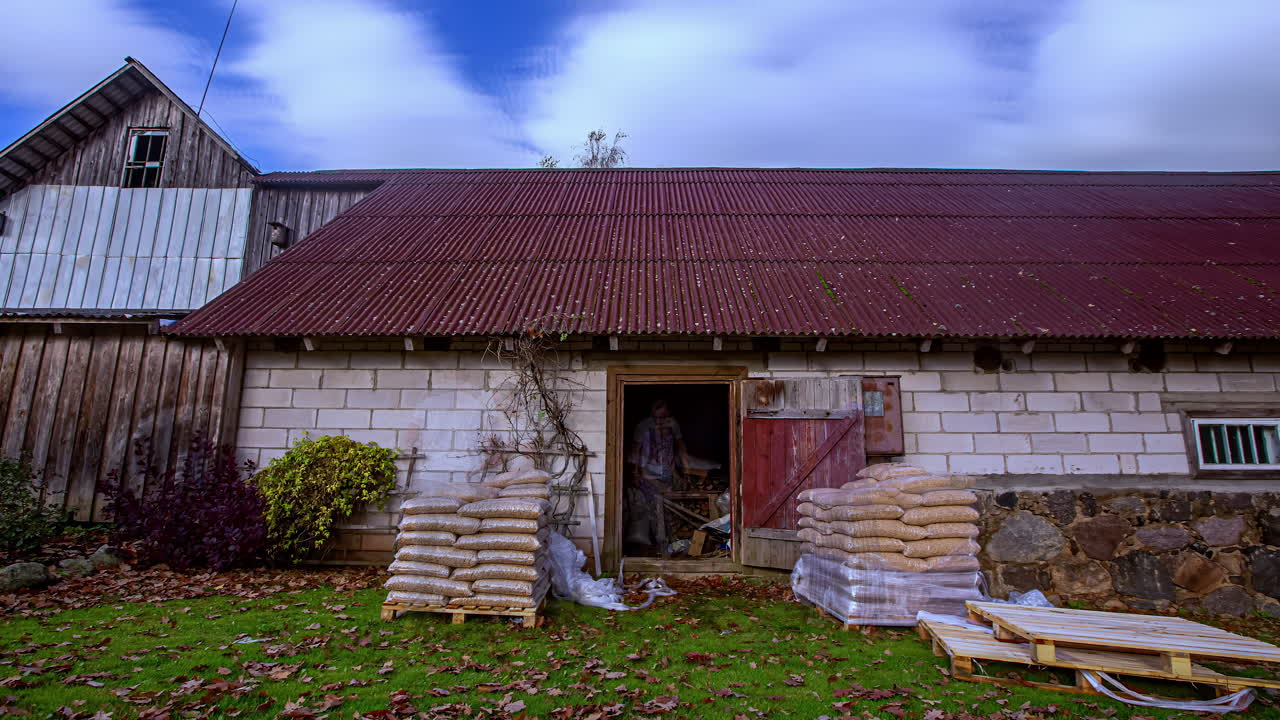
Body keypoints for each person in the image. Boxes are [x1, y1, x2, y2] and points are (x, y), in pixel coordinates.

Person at [627, 399, 690, 555]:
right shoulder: (642, 427)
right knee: (656, 507)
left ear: (668, 414)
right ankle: (661, 544)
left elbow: (679, 446)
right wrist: (635, 473)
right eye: (656, 418)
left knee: (669, 507)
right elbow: (635, 451)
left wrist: (683, 471)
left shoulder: (673, 424)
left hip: (666, 472)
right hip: (648, 473)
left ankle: (672, 542)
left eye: (663, 417)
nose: (659, 421)